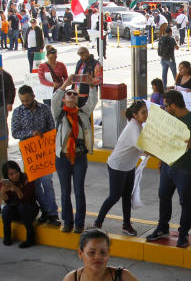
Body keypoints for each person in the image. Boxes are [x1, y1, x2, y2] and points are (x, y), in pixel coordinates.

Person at [145, 90, 191, 248]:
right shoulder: (169, 119)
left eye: (166, 105)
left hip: (186, 168)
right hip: (167, 165)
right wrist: (160, 160)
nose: (165, 108)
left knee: (185, 200)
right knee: (163, 195)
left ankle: (184, 233)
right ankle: (162, 227)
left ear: (173, 105)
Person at [10, 85, 60, 226]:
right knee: (35, 185)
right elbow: (15, 132)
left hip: (44, 152)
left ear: (33, 96)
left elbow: (52, 128)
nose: (25, 103)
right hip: (29, 154)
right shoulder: (18, 112)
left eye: (27, 99)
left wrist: (47, 138)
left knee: (47, 183)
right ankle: (44, 210)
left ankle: (52, 213)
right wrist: (31, 133)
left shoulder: (44, 109)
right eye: (22, 101)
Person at [94, 101, 147, 236]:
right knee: (114, 196)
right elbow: (142, 148)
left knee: (126, 196)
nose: (146, 115)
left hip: (129, 166)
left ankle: (126, 224)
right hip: (117, 166)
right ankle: (98, 222)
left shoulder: (139, 125)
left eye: (146, 111)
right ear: (135, 115)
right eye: (143, 112)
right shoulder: (133, 127)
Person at [51, 81, 96, 234]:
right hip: (62, 157)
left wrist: (91, 86)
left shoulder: (82, 114)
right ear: (64, 99)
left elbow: (92, 101)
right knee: (65, 191)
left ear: (77, 99)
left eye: (74, 94)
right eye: (68, 94)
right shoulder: (59, 114)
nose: (71, 96)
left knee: (79, 190)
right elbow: (54, 100)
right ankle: (67, 222)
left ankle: (79, 224)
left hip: (79, 157)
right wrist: (65, 85)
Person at [0, 161, 39, 248]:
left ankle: (30, 237)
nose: (15, 176)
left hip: (29, 208)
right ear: (7, 176)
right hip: (16, 209)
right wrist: (3, 192)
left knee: (22, 207)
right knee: (6, 210)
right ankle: (7, 236)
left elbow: (25, 199)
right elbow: (8, 202)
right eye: (11, 174)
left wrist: (16, 189)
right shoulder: (5, 183)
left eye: (16, 172)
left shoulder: (27, 179)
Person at [158, 23, 178, 88]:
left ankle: (164, 86)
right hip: (170, 58)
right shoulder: (171, 39)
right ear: (170, 32)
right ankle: (178, 85)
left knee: (164, 73)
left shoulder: (161, 38)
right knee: (174, 73)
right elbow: (177, 47)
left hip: (163, 58)